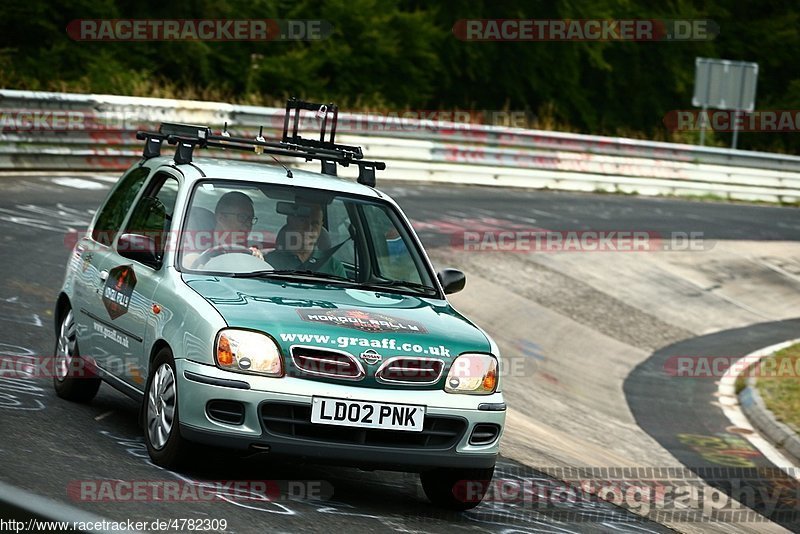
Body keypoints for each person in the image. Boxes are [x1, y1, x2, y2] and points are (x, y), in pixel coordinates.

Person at [265, 201, 346, 277]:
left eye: (315, 223)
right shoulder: (269, 262)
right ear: (290, 221)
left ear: (321, 227)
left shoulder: (334, 267)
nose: (309, 228)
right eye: (303, 221)